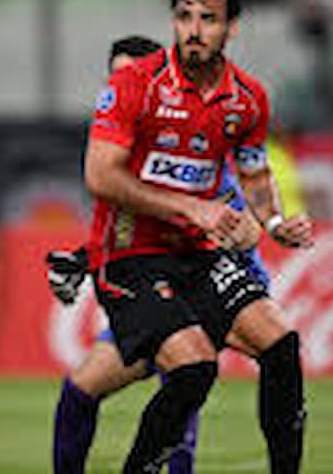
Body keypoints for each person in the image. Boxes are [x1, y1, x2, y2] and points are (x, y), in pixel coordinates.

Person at [83, 0, 313, 473]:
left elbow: (253, 174)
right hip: (129, 257)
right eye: (184, 17)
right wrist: (191, 208)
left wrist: (273, 221)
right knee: (194, 369)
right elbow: (99, 176)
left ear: (231, 27)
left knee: (281, 346)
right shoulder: (134, 84)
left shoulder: (248, 99)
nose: (193, 29)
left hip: (197, 255)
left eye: (208, 19)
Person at [50, 34, 273, 474]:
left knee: (182, 377)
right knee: (80, 390)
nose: (120, 88)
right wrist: (80, 262)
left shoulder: (191, 158)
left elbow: (237, 230)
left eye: (130, 77)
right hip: (153, 296)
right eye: (114, 78)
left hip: (206, 296)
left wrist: (238, 230)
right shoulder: (118, 163)